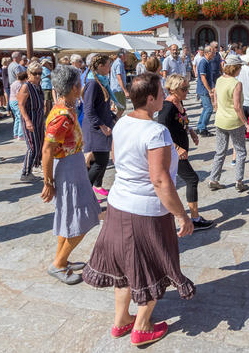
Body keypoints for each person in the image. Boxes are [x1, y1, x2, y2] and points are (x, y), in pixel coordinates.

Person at [82, 73, 194, 347]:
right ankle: (142, 326)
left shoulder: (122, 122)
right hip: (146, 210)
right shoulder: (156, 132)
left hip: (119, 204)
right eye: (160, 91)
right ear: (152, 98)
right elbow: (160, 180)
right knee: (154, 266)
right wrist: (181, 214)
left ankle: (121, 321)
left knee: (125, 267)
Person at [41, 65, 101, 284]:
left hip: (72, 165)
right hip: (68, 168)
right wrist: (47, 182)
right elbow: (47, 150)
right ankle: (58, 264)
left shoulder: (66, 109)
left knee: (69, 217)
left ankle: (61, 259)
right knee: (82, 218)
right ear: (74, 87)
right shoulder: (62, 116)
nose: (82, 86)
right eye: (79, 83)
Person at [158, 74, 213, 231]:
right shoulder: (167, 107)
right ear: (173, 89)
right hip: (173, 154)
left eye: (187, 88)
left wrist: (191, 131)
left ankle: (164, 214)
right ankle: (194, 218)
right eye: (184, 89)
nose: (187, 91)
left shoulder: (178, 102)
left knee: (170, 183)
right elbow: (160, 130)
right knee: (192, 179)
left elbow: (182, 120)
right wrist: (175, 147)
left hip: (180, 152)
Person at [208, 55, 249, 192]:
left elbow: (215, 98)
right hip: (234, 122)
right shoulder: (236, 83)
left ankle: (214, 179)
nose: (241, 69)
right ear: (235, 68)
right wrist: (246, 123)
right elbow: (237, 106)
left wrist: (217, 108)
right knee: (240, 151)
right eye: (240, 67)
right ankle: (239, 181)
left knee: (220, 151)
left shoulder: (219, 80)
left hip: (220, 120)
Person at [82, 54, 118, 197]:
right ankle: (84, 193)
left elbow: (100, 107)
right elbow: (88, 110)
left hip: (101, 126)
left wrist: (113, 117)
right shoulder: (93, 83)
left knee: (98, 162)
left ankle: (88, 189)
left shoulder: (101, 82)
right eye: (108, 65)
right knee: (99, 163)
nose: (110, 68)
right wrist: (102, 125)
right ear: (100, 66)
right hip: (95, 129)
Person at [17, 61, 45, 183]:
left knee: (40, 144)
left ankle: (34, 168)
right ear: (29, 73)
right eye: (35, 73)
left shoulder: (39, 86)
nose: (38, 76)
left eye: (40, 73)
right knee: (32, 147)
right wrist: (27, 121)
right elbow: (21, 105)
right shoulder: (26, 86)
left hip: (39, 118)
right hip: (30, 119)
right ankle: (25, 173)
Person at [195, 45, 215, 137]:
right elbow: (203, 78)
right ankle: (203, 128)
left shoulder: (207, 62)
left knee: (206, 108)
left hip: (204, 89)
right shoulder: (203, 62)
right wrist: (209, 90)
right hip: (203, 89)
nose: (214, 54)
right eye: (213, 52)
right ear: (207, 53)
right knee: (209, 109)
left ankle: (200, 127)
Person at [109, 50, 129, 119]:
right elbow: (119, 77)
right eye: (126, 55)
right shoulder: (119, 63)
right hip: (118, 89)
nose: (127, 56)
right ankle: (114, 123)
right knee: (121, 108)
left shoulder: (118, 62)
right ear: (122, 55)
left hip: (116, 88)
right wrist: (125, 90)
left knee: (120, 108)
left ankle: (114, 122)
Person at [9, 71, 27, 140]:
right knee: (21, 117)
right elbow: (18, 94)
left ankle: (16, 133)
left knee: (17, 118)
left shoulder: (14, 83)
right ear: (25, 78)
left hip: (11, 101)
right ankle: (21, 134)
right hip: (16, 101)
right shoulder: (20, 85)